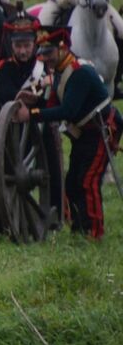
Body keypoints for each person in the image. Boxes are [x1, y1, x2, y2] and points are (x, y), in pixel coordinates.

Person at [14, 25, 120, 239]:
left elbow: (67, 110)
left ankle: (94, 232)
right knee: (72, 183)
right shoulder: (61, 71)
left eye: (50, 53)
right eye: (43, 54)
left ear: (63, 49)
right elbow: (53, 103)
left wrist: (31, 114)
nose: (46, 59)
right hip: (83, 134)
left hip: (100, 131)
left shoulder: (79, 72)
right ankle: (79, 229)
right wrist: (36, 101)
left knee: (88, 181)